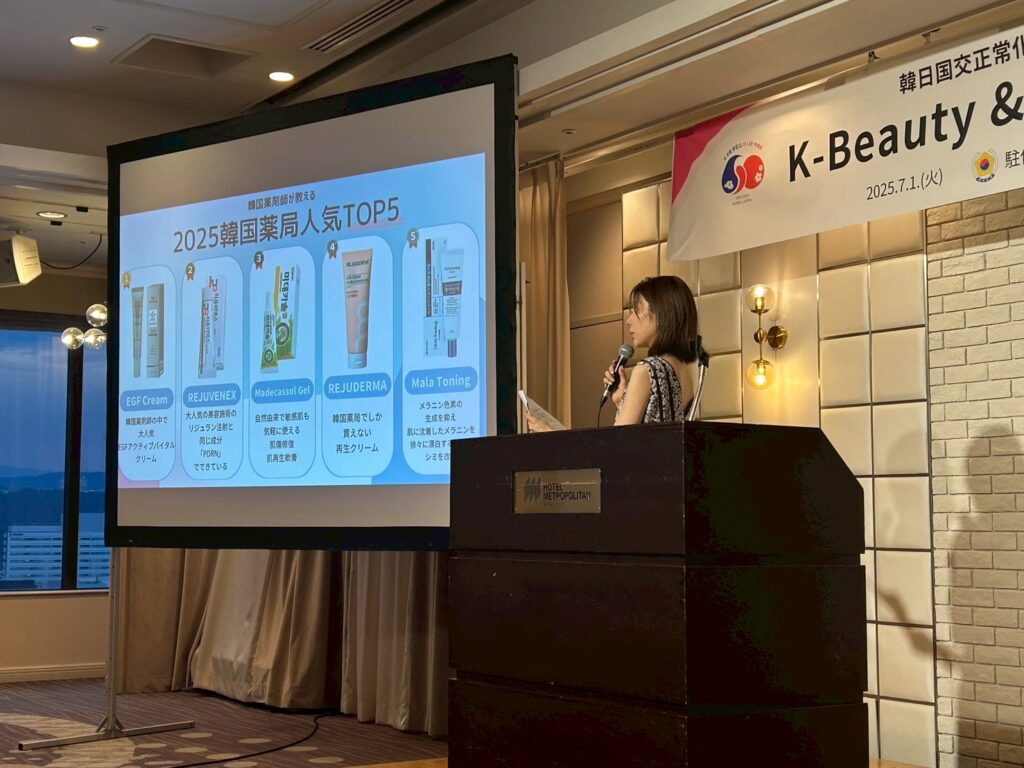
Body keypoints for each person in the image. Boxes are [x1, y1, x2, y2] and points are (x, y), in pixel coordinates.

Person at [525, 274, 699, 430]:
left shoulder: (646, 370)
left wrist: (550, 432)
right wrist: (621, 400)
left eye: (637, 311)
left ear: (661, 315)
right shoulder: (687, 371)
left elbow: (616, 446)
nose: (629, 320)